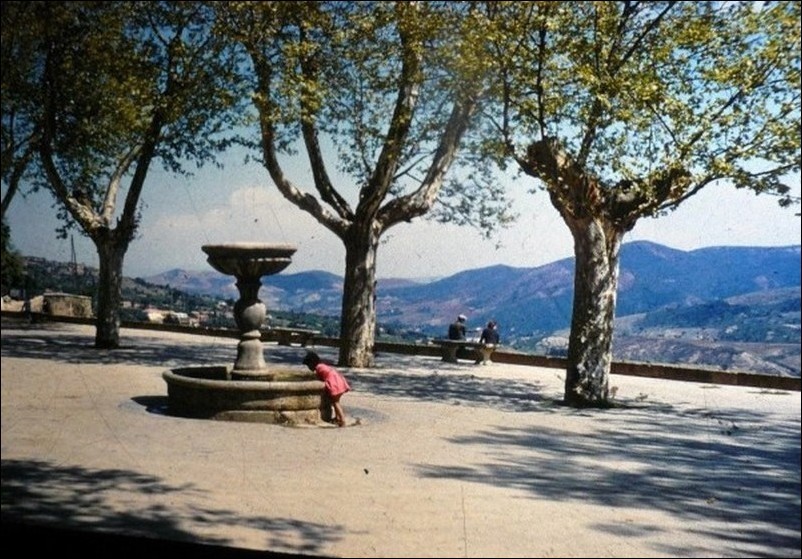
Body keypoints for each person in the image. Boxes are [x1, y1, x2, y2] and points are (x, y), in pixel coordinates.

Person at [303, 350, 351, 427]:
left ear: (312, 363)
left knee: (336, 403)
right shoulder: (322, 366)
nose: (309, 368)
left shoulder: (318, 368)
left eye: (309, 366)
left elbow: (318, 380)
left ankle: (342, 420)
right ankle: (337, 418)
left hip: (335, 384)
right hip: (339, 381)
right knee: (336, 402)